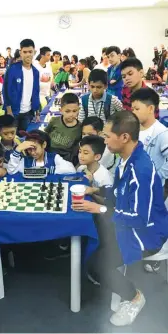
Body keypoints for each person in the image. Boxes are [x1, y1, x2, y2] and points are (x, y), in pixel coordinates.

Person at [72, 111, 168, 327]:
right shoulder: (126, 160)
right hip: (129, 223)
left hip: (147, 235)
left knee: (99, 264)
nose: (104, 141)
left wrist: (97, 207)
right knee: (95, 233)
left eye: (107, 136)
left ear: (124, 137)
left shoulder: (140, 170)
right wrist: (95, 189)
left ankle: (134, 298)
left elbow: (138, 218)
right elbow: (118, 193)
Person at [131, 87, 168, 272]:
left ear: (151, 108)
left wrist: (159, 178)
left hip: (155, 188)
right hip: (137, 185)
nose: (133, 112)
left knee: (153, 223)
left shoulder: (161, 132)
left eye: (137, 108)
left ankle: (157, 255)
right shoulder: (135, 130)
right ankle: (142, 249)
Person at [3, 39, 40, 132]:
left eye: (30, 52)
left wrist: (37, 111)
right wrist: (9, 111)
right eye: (25, 52)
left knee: (25, 137)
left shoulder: (35, 72)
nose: (28, 54)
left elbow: (36, 92)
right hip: (13, 112)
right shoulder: (12, 69)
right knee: (11, 138)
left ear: (34, 52)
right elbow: (5, 90)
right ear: (20, 53)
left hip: (28, 113)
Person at [7, 129, 75, 175]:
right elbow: (11, 171)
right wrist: (17, 150)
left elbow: (71, 169)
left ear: (44, 145)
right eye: (29, 149)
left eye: (35, 148)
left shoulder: (54, 158)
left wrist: (51, 170)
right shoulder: (25, 160)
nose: (32, 153)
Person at [45, 93, 82, 164]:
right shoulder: (54, 121)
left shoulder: (80, 128)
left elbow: (76, 146)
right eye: (67, 111)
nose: (71, 114)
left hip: (66, 158)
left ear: (78, 109)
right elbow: (46, 134)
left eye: (74, 111)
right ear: (61, 110)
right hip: (50, 153)